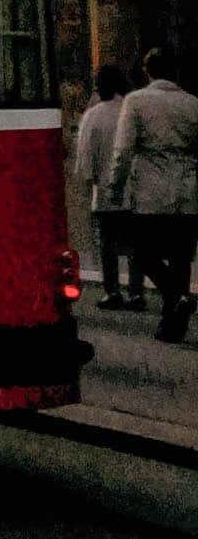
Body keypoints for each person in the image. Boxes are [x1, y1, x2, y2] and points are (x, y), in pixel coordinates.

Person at [109, 48, 198, 343]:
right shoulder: (192, 103)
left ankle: (176, 297)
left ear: (147, 71)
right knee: (180, 257)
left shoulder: (136, 102)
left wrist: (115, 187)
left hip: (151, 190)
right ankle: (173, 323)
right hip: (187, 190)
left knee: (144, 254)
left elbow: (123, 151)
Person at [74, 65, 143, 311]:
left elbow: (85, 158)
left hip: (104, 191)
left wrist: (89, 181)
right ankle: (137, 292)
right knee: (136, 245)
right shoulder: (132, 110)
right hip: (135, 191)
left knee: (107, 244)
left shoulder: (93, 116)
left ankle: (112, 291)